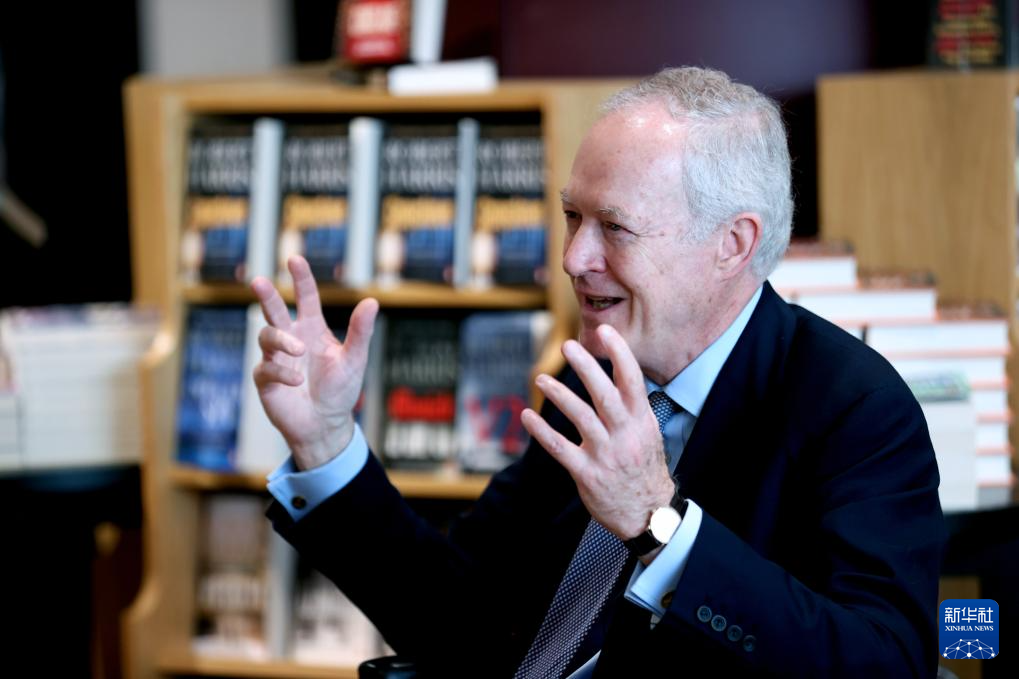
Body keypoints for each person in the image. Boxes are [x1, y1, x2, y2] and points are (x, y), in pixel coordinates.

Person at [252, 67, 945, 678]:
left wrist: (658, 526)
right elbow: (456, 614)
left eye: (614, 227)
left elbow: (885, 662)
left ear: (732, 245)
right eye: (571, 216)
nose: (574, 258)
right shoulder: (591, 375)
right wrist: (326, 444)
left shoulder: (852, 407)